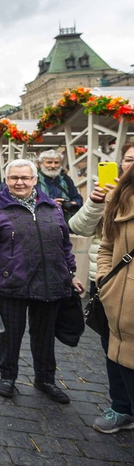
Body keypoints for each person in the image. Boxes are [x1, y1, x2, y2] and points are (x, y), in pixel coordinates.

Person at [0, 158, 84, 403]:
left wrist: (71, 273)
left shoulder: (52, 207)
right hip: (12, 281)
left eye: (25, 177)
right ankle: (8, 377)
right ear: (6, 180)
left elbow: (64, 245)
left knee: (44, 335)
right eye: (14, 178)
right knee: (11, 334)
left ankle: (45, 379)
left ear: (34, 180)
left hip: (49, 281)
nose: (19, 182)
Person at [69, 143, 134, 433]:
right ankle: (120, 408)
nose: (131, 166)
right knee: (112, 346)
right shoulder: (113, 196)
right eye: (129, 160)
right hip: (109, 286)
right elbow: (82, 230)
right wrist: (95, 202)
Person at [95, 147, 134, 437]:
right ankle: (120, 409)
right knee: (115, 354)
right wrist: (105, 280)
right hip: (118, 297)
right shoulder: (119, 197)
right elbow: (107, 244)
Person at [37, 149, 83, 222]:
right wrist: (50, 203)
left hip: (64, 221)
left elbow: (77, 198)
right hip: (42, 221)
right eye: (49, 162)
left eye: (56, 162)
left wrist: (72, 203)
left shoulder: (65, 179)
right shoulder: (34, 180)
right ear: (40, 164)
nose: (53, 166)